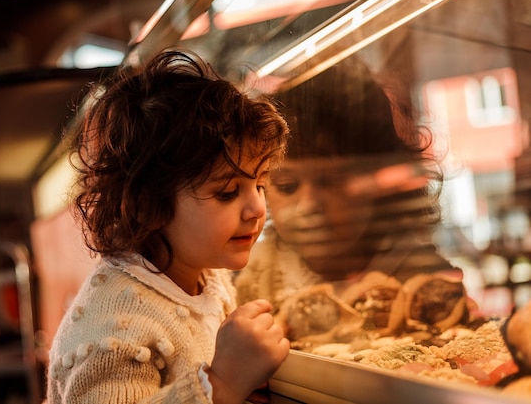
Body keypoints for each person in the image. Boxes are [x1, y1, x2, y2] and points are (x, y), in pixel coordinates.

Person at [46, 50, 291, 404]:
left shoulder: (205, 275)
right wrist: (223, 385)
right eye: (227, 192)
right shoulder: (114, 328)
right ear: (147, 205)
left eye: (261, 186)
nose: (257, 208)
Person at [235, 56, 461, 317]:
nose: (308, 205)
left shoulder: (420, 276)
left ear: (380, 184)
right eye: (287, 186)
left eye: (333, 183)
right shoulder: (258, 275)